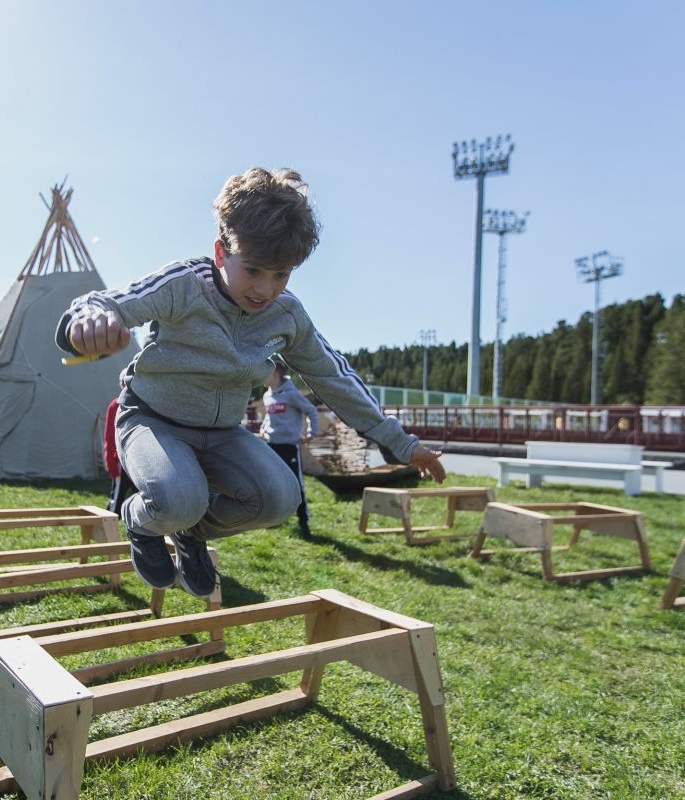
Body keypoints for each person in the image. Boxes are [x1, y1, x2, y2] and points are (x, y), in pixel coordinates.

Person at [55, 166, 445, 598]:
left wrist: (402, 442)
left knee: (282, 497)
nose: (265, 289)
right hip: (152, 420)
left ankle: (190, 534)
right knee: (180, 498)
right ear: (221, 253)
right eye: (254, 270)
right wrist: (87, 322)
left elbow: (334, 376)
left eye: (281, 275)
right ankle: (139, 519)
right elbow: (105, 303)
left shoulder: (287, 316)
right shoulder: (184, 285)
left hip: (221, 433)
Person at [260, 361, 319, 539]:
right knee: (273, 483)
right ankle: (275, 519)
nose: (261, 376)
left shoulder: (292, 394)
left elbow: (311, 411)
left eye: (265, 373)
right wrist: (263, 428)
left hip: (289, 447)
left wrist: (311, 432)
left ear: (275, 373)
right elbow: (268, 417)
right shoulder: (267, 396)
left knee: (297, 485)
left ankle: (303, 522)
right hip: (271, 446)